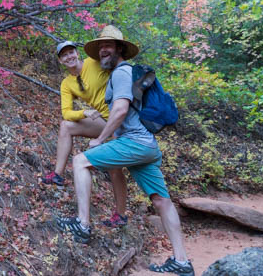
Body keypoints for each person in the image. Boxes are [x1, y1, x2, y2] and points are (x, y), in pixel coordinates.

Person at [55, 25, 195, 276]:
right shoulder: (121, 73)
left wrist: (100, 138)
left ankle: (82, 225)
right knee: (161, 200)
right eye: (100, 47)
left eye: (108, 46)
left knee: (80, 161)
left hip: (133, 142)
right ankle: (182, 262)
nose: (103, 50)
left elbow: (119, 110)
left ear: (120, 48)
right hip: (147, 146)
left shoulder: (121, 72)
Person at [42, 41, 129, 228]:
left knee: (115, 168)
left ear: (77, 53)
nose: (69, 57)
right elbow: (66, 112)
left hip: (120, 118)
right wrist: (84, 113)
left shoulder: (93, 62)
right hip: (102, 121)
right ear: (60, 60)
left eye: (71, 52)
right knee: (66, 125)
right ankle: (57, 175)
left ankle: (120, 215)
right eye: (64, 55)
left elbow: (116, 65)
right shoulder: (67, 83)